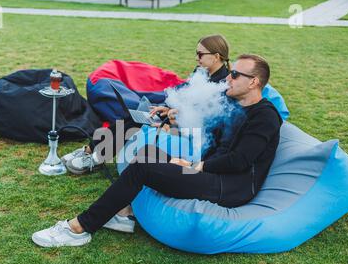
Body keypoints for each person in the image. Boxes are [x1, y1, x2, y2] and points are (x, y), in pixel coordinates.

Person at [32, 54, 283, 248]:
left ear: (254, 82)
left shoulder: (265, 117)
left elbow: (240, 161)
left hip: (228, 187)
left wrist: (198, 167)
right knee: (149, 151)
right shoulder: (234, 104)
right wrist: (175, 122)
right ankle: (121, 213)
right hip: (210, 173)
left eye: (235, 75)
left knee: (143, 166)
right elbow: (211, 134)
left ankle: (79, 228)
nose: (228, 77)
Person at [63, 34, 231, 175]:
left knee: (137, 121)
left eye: (200, 54)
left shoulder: (224, 85)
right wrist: (166, 107)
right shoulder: (202, 72)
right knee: (136, 114)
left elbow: (210, 120)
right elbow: (184, 92)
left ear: (216, 57)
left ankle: (96, 158)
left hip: (192, 133)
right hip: (175, 118)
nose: (196, 58)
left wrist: (176, 118)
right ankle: (91, 151)